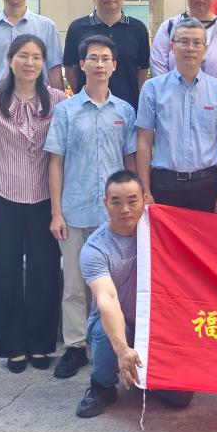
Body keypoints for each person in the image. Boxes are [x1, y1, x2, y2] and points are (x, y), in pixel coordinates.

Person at [45, 34, 137, 380]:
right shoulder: (66, 111)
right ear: (81, 65)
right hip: (75, 210)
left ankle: (112, 344)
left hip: (115, 218)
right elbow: (55, 163)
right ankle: (74, 347)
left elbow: (130, 161)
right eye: (93, 58)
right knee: (73, 285)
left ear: (114, 66)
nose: (99, 64)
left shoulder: (125, 111)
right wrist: (56, 212)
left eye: (105, 59)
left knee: (112, 285)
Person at [0, 35, 67, 373]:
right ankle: (12, 347)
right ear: (10, 60)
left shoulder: (57, 99)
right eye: (23, 56)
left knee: (46, 273)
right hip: (3, 194)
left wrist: (60, 207)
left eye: (36, 57)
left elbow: (60, 153)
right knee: (5, 272)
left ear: (44, 63)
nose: (30, 63)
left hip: (45, 198)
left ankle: (41, 345)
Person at [76, 170, 194, 418]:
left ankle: (150, 378)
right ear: (105, 203)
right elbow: (107, 299)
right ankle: (102, 386)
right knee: (105, 330)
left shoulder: (162, 233)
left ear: (145, 199)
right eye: (116, 202)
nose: (125, 210)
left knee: (180, 398)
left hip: (156, 324)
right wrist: (122, 349)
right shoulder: (95, 248)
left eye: (132, 201)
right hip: (117, 324)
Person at [137, 18, 217, 213]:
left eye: (197, 43)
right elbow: (144, 141)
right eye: (184, 41)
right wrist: (145, 190)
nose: (190, 48)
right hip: (165, 184)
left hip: (208, 185)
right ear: (172, 47)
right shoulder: (153, 88)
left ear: (205, 49)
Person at [63, 0, 151, 109]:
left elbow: (142, 69)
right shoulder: (77, 28)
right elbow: (69, 68)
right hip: (86, 109)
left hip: (127, 109)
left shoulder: (138, 28)